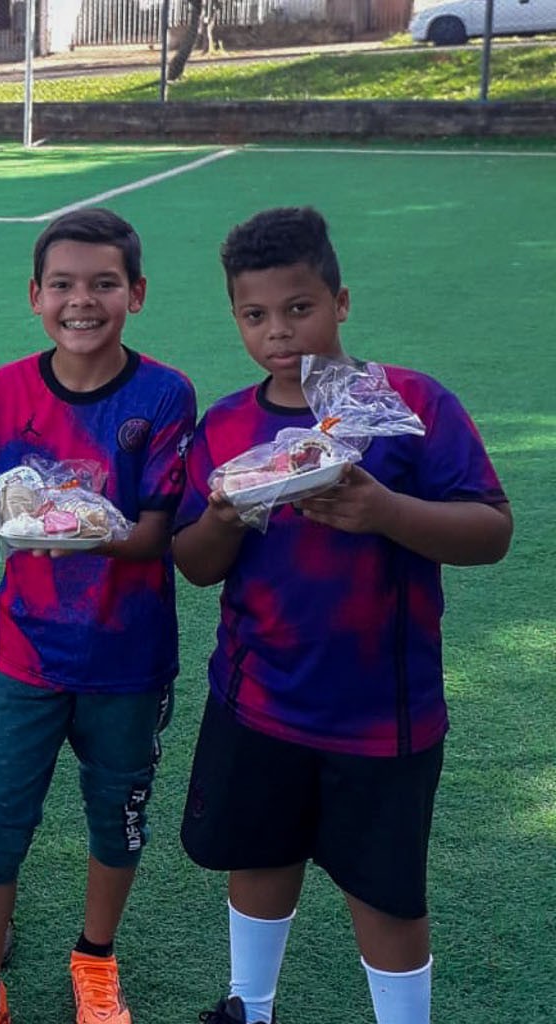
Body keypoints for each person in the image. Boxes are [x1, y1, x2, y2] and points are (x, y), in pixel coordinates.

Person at [172, 207, 513, 1024]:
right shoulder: (228, 426)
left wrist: (386, 511)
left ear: (341, 301)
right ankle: (250, 1008)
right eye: (255, 315)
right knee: (260, 858)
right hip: (256, 700)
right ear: (235, 319)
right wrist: (224, 515)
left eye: (299, 308)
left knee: (385, 894)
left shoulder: (408, 404)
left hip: (381, 717)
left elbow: (492, 530)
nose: (278, 332)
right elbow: (195, 563)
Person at [0, 209, 196, 1024]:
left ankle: (95, 958)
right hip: (28, 654)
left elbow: (157, 535)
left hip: (128, 659)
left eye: (104, 284)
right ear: (35, 295)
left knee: (117, 818)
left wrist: (79, 527)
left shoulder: (165, 394)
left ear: (136, 293)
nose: (81, 301)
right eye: (62, 284)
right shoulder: (8, 389)